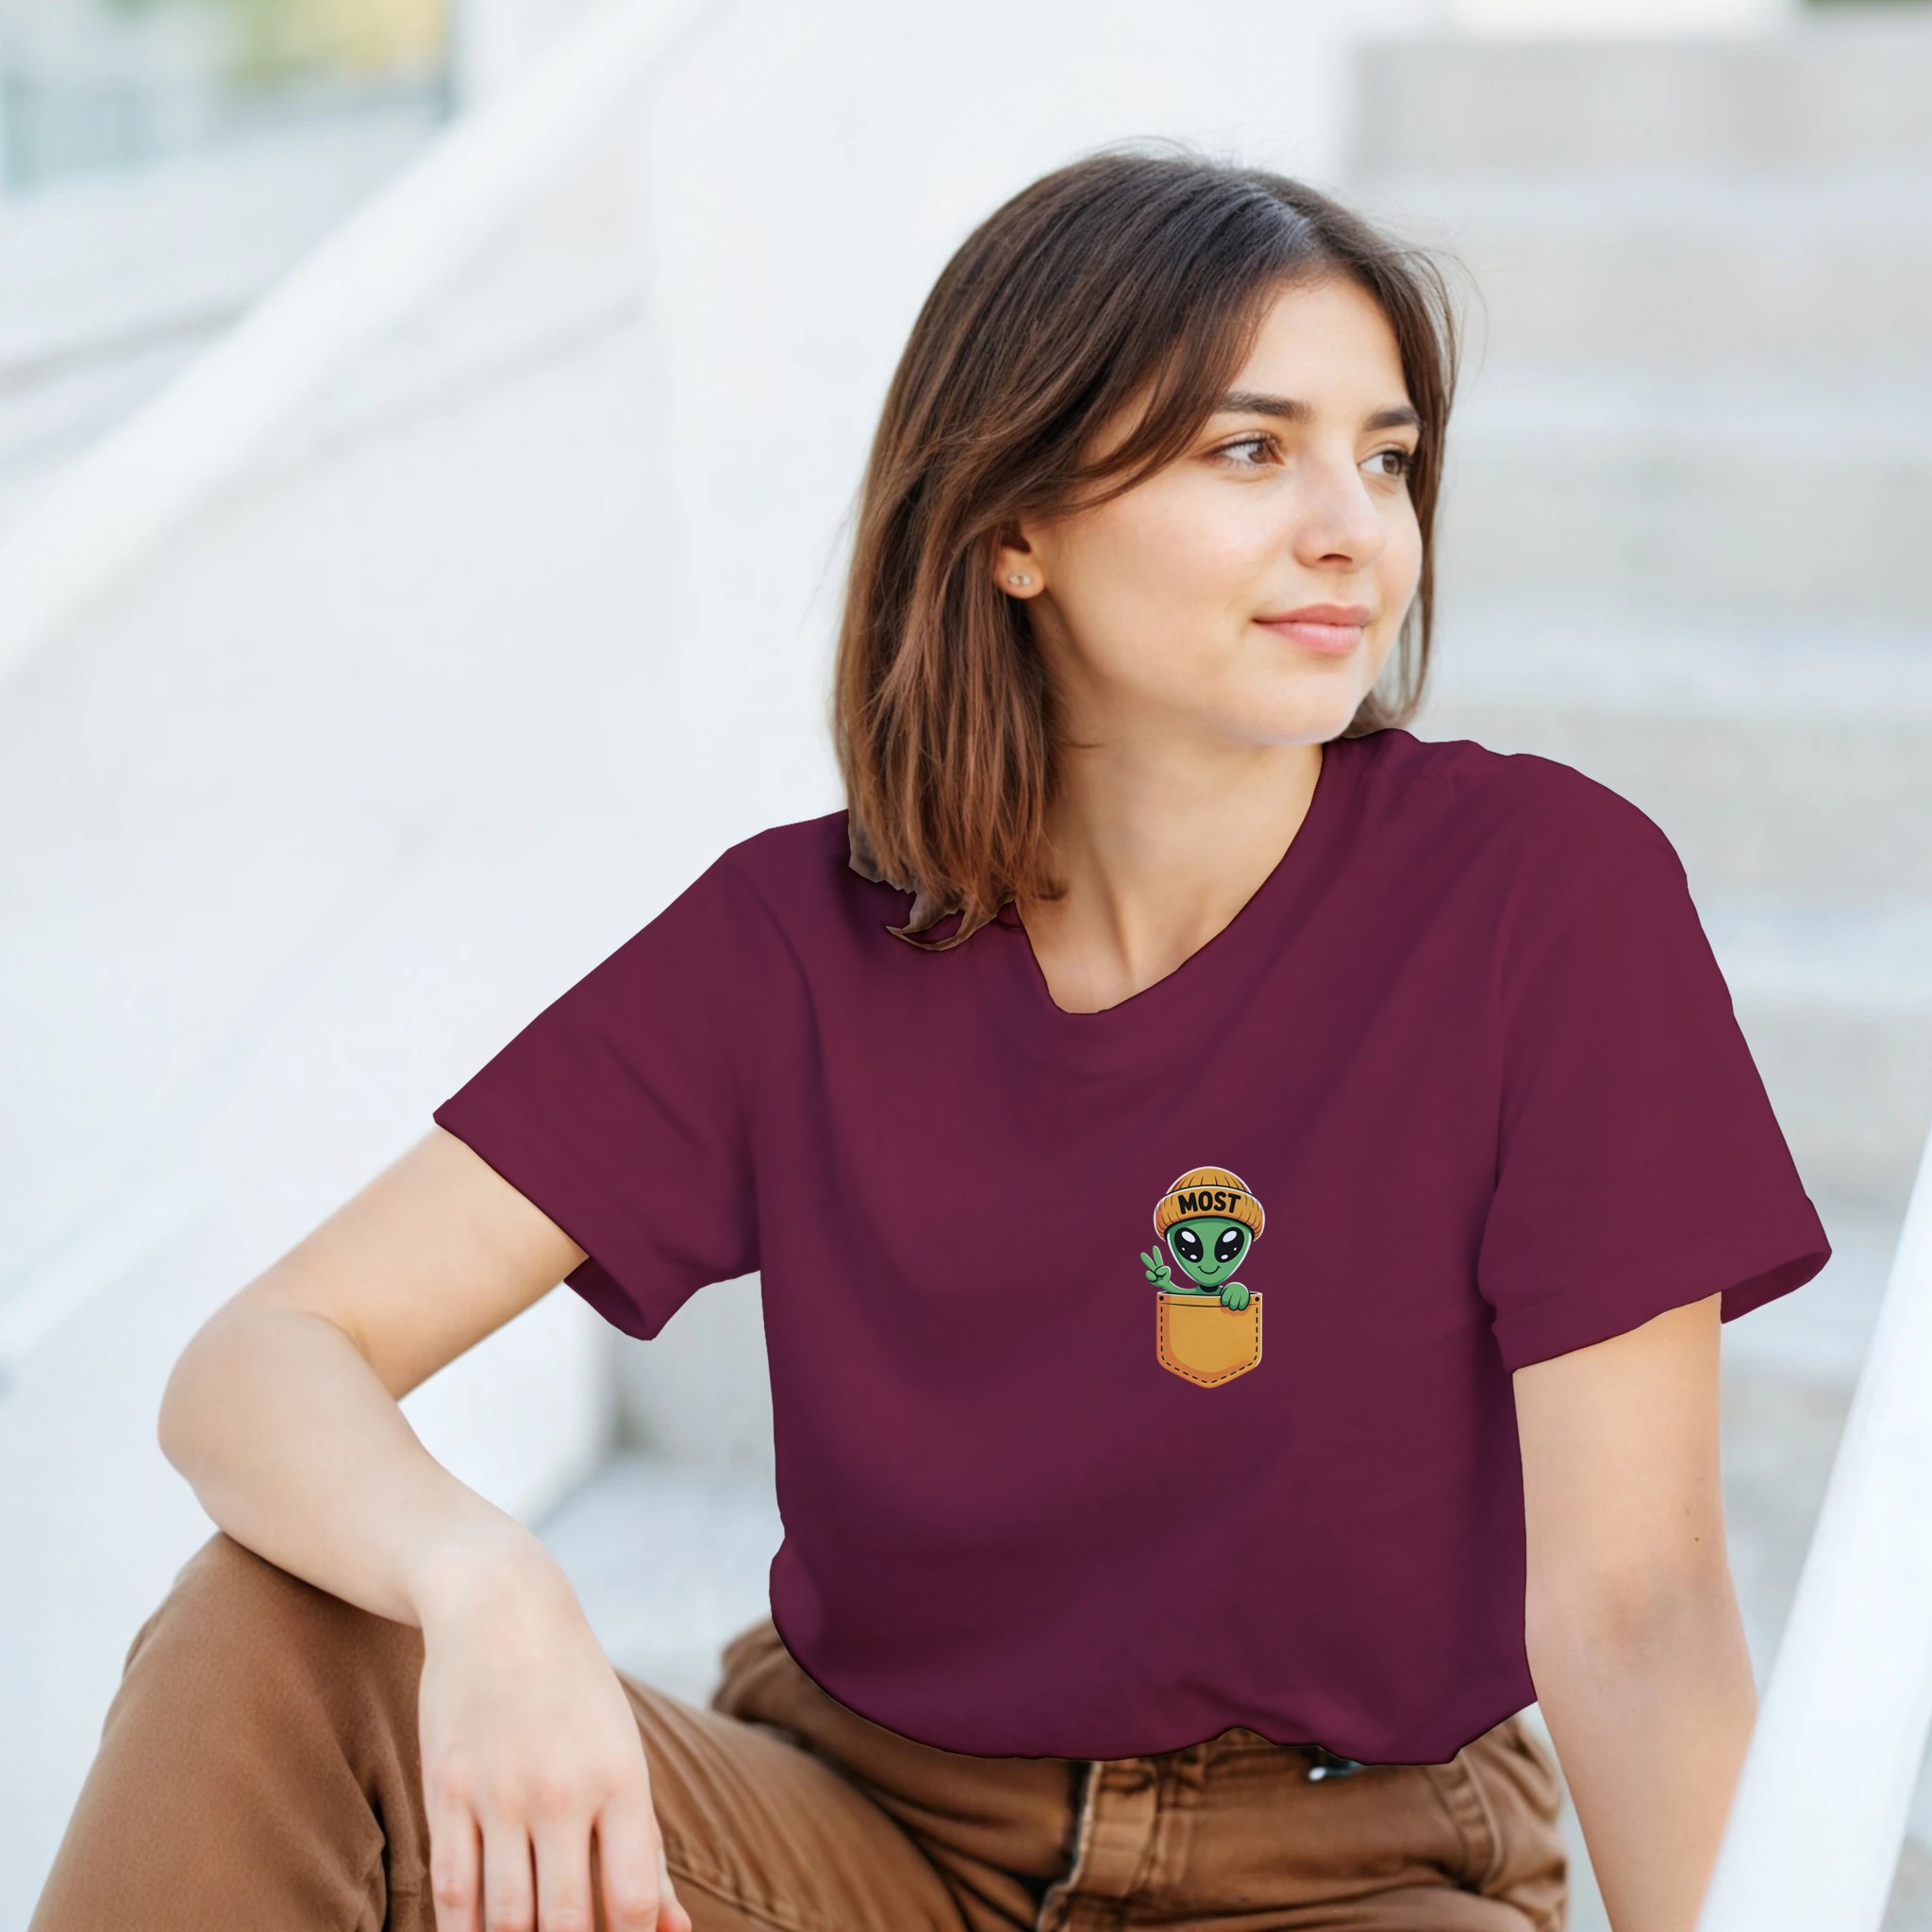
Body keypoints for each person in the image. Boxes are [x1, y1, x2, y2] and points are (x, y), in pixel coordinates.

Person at [29, 143, 1832, 1932]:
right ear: (1014, 527)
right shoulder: (796, 945)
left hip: (1350, 1871)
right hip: (860, 1834)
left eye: (1387, 457)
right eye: (1249, 450)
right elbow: (263, 1356)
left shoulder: (1541, 897)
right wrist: (482, 1577)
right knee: (273, 1634)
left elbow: (1637, 1612)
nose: (1353, 529)